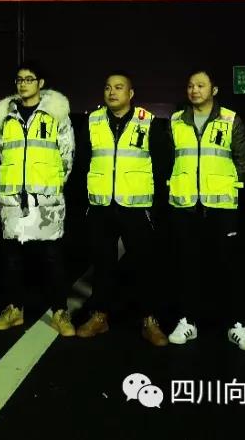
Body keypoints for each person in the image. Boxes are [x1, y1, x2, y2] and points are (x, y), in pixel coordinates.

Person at [166, 68, 245, 352]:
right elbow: (169, 158)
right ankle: (188, 321)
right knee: (187, 266)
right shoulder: (176, 121)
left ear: (214, 90)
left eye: (201, 85)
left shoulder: (230, 119)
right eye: (190, 85)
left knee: (228, 267)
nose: (194, 90)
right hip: (185, 205)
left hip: (221, 206)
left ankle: (236, 325)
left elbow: (243, 160)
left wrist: (228, 187)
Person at [75, 73, 168, 346]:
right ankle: (99, 316)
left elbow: (162, 166)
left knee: (144, 265)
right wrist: (84, 204)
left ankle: (149, 320)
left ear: (131, 93)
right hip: (101, 206)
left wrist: (156, 208)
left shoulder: (148, 121)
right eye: (107, 87)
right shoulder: (92, 121)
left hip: (136, 207)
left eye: (118, 87)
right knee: (102, 263)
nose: (112, 92)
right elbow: (82, 163)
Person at [0, 62, 76, 337]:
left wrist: (51, 184)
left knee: (53, 257)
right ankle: (15, 309)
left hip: (46, 198)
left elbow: (67, 155)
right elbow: (2, 152)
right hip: (14, 199)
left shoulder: (56, 114)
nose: (23, 84)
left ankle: (60, 312)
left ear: (41, 83)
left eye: (29, 79)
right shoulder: (6, 117)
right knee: (13, 258)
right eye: (19, 79)